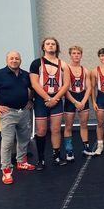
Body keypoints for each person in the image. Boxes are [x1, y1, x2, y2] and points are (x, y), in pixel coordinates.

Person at [0, 51, 35, 184]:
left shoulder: (25, 75)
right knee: (8, 142)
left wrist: (30, 99)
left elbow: (33, 88)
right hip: (8, 113)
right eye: (11, 58)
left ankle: (21, 161)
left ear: (20, 60)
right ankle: (6, 170)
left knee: (24, 138)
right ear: (7, 60)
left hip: (24, 111)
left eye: (17, 58)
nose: (14, 60)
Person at [30, 37, 70, 170]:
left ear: (56, 47)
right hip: (42, 100)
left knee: (56, 129)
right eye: (48, 44)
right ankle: (41, 159)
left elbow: (66, 84)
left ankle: (56, 156)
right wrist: (48, 98)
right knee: (41, 130)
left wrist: (55, 98)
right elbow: (34, 84)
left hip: (57, 99)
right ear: (43, 47)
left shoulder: (63, 64)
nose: (51, 46)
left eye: (53, 44)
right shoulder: (36, 63)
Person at [63, 46, 92, 161]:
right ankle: (69, 150)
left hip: (82, 97)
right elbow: (64, 89)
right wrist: (75, 102)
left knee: (84, 124)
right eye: (74, 53)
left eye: (78, 53)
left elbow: (89, 88)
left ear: (81, 55)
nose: (76, 55)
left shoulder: (85, 70)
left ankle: (86, 147)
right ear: (70, 55)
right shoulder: (66, 69)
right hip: (71, 98)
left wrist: (83, 101)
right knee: (68, 126)